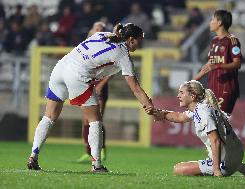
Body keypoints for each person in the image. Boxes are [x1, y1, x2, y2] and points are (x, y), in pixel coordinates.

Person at [27, 23, 153, 173]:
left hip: (60, 68)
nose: (141, 43)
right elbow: (136, 89)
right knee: (96, 120)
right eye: (140, 40)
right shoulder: (123, 55)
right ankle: (97, 165)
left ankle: (33, 157)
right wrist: (150, 106)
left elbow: (106, 42)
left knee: (49, 116)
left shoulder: (101, 35)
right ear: (131, 40)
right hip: (77, 75)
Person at [144, 80, 245, 177]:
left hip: (225, 165)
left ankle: (217, 169)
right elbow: (179, 117)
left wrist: (216, 171)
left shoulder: (203, 112)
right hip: (237, 157)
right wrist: (156, 112)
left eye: (181, 93)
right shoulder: (201, 108)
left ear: (192, 96)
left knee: (178, 169)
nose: (178, 96)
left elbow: (215, 141)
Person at [193, 10, 242, 114]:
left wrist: (217, 66)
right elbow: (210, 64)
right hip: (213, 88)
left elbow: (237, 63)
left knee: (217, 122)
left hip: (226, 89)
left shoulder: (232, 41)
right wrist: (191, 81)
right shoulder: (214, 41)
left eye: (212, 20)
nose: (210, 22)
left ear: (219, 22)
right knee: (211, 124)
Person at [77, 21, 109, 162]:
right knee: (85, 120)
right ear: (91, 31)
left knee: (97, 119)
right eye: (96, 28)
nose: (98, 31)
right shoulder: (86, 46)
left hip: (100, 87)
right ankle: (88, 151)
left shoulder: (107, 47)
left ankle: (101, 150)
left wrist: (101, 85)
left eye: (101, 29)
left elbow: (111, 70)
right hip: (87, 85)